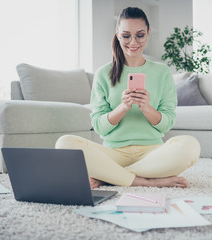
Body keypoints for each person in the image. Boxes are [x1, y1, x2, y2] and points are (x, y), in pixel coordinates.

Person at [56, 7, 200, 189]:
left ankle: (109, 177)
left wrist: (146, 107)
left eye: (140, 35)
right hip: (113, 153)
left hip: (152, 153)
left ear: (148, 33)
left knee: (190, 145)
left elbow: (167, 123)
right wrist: (122, 108)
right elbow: (100, 126)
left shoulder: (162, 72)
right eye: (126, 36)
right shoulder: (103, 73)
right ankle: (144, 181)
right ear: (117, 35)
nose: (133, 42)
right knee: (64, 144)